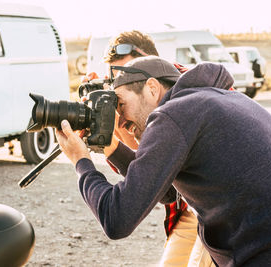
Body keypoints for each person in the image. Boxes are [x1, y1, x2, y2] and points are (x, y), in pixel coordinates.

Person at [56, 55, 271, 266]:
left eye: (121, 104)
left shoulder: (172, 114)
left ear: (151, 88)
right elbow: (169, 193)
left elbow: (116, 219)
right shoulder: (210, 99)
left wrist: (81, 161)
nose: (121, 120)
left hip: (269, 250)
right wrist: (112, 148)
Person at [85, 30, 214, 266]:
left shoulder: (193, 90)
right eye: (114, 78)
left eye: (126, 73)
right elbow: (156, 178)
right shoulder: (137, 99)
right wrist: (110, 128)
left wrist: (81, 162)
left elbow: (119, 218)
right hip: (188, 207)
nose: (121, 82)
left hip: (222, 210)